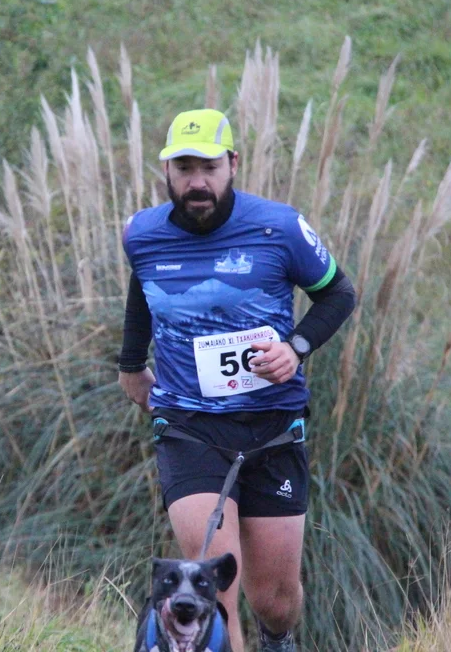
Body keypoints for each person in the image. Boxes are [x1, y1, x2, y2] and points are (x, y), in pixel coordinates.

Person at [117, 109, 356, 652]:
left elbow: (339, 294)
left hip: (273, 427)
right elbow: (143, 287)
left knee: (275, 598)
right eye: (184, 168)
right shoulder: (142, 233)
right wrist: (131, 364)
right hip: (189, 426)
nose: (197, 182)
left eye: (209, 167)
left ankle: (279, 639)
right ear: (167, 170)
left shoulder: (280, 227)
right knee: (212, 588)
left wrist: (295, 349)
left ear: (233, 164)